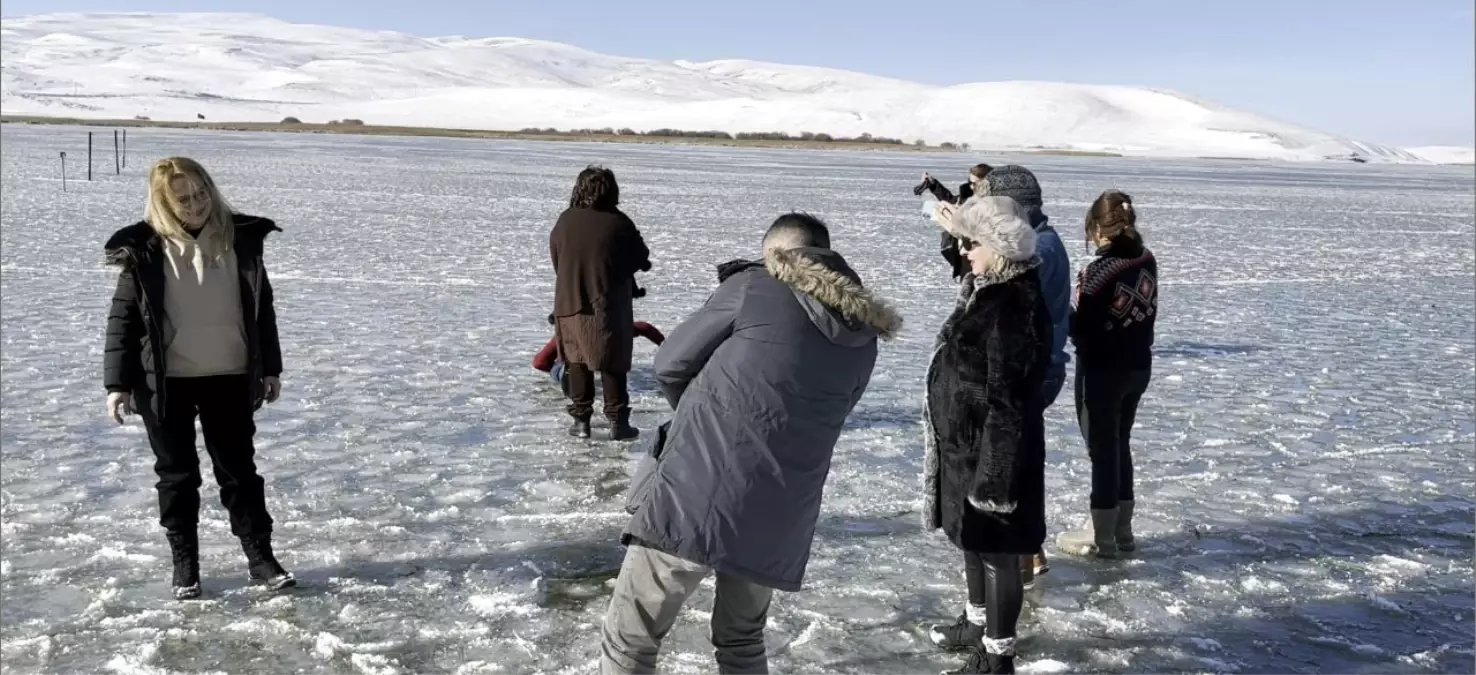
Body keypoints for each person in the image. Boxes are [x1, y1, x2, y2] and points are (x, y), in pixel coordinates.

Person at [601, 213, 901, 675]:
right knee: (741, 641)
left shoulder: (754, 287)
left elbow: (669, 364)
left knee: (630, 642)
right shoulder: (862, 331)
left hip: (694, 492)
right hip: (780, 512)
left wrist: (702, 419)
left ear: (774, 254)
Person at [103, 157, 293, 600]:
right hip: (165, 384)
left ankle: (260, 558)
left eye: (202, 193)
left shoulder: (242, 238)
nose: (196, 205)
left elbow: (262, 311)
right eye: (183, 199)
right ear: (164, 203)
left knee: (240, 474)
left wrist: (270, 368)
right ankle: (185, 565)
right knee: (177, 477)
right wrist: (117, 384)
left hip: (229, 375)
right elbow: (123, 321)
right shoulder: (143, 248)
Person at [923, 196, 1050, 675]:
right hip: (967, 448)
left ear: (998, 248)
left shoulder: (1013, 305)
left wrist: (993, 480)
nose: (964, 251)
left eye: (972, 243)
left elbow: (1009, 401)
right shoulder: (989, 287)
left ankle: (998, 661)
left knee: (997, 552)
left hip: (995, 455)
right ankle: (977, 628)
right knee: (973, 542)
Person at [972, 166, 1073, 583]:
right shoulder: (1045, 241)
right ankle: (1028, 551)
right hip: (1036, 370)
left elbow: (1002, 289)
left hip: (1030, 374)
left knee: (1013, 464)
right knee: (1019, 461)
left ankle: (1020, 555)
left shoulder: (1040, 249)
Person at [1056, 190, 1157, 559]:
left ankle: (1104, 539)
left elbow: (1087, 330)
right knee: (1120, 443)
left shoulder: (1099, 272)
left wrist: (1060, 310)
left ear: (1097, 229)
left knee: (1103, 450)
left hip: (1103, 372)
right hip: (1138, 367)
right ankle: (1123, 531)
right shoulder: (1146, 259)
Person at [549, 165, 651, 441]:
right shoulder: (619, 222)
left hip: (569, 303)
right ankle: (618, 423)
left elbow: (557, 258)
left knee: (576, 362)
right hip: (608, 305)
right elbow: (641, 257)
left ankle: (581, 423)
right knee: (612, 364)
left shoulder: (565, 220)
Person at [532, 319, 666, 393]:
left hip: (577, 367)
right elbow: (645, 327)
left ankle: (568, 372)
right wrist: (666, 347)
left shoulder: (568, 330)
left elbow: (540, 362)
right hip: (608, 365)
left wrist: (554, 367)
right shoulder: (619, 325)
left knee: (564, 369)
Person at [916, 164, 993, 279]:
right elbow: (951, 200)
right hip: (964, 256)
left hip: (981, 257)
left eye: (975, 183)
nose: (971, 187)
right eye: (970, 182)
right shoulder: (967, 194)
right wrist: (933, 185)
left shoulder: (994, 203)